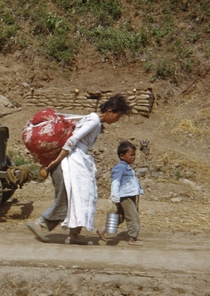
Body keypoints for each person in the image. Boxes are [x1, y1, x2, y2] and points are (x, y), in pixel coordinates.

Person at [27, 94, 132, 244]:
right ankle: (40, 223)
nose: (116, 120)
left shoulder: (95, 121)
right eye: (117, 116)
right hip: (71, 163)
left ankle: (73, 235)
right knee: (70, 198)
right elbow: (72, 140)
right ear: (109, 111)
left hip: (76, 162)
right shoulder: (94, 120)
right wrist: (56, 161)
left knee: (80, 197)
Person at [97, 141, 145, 246]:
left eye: (134, 155)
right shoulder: (120, 167)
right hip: (125, 196)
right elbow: (115, 182)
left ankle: (102, 230)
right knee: (132, 216)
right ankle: (133, 238)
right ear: (122, 156)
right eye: (131, 155)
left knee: (120, 216)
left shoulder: (127, 167)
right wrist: (114, 196)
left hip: (129, 195)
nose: (133, 157)